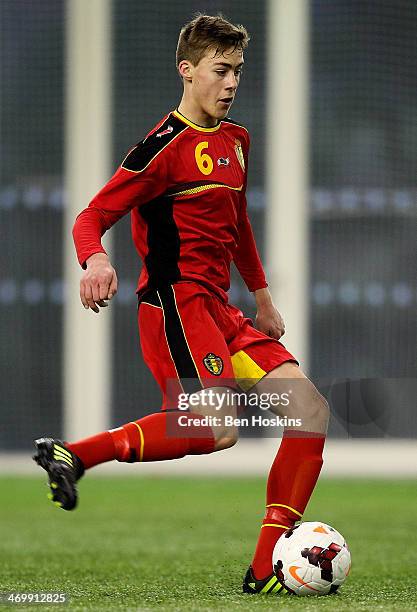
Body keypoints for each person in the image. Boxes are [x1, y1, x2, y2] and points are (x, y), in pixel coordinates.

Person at [33, 13, 329, 595]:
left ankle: (266, 568)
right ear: (187, 71)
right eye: (221, 70)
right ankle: (76, 454)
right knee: (216, 428)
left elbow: (238, 224)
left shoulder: (236, 141)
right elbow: (92, 216)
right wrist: (96, 260)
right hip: (175, 304)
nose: (232, 83)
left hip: (221, 309)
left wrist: (263, 299)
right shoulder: (160, 149)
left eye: (238, 71)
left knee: (310, 413)